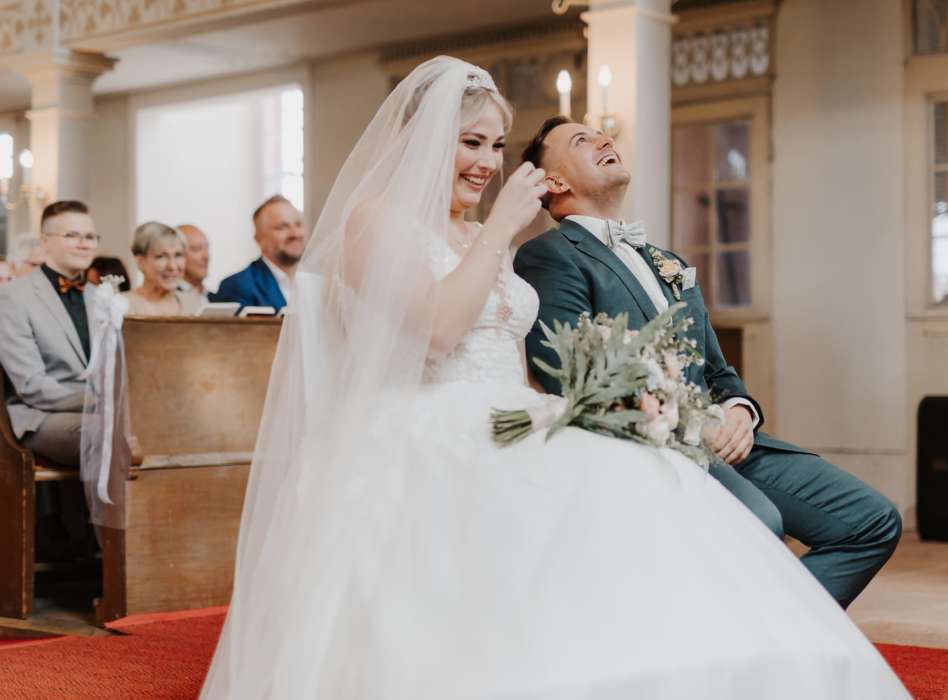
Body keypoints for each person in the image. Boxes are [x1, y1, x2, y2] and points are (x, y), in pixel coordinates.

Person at [200, 57, 909, 699]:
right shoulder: (376, 219)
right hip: (423, 421)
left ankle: (718, 661)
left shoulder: (480, 235)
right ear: (422, 140)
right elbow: (439, 330)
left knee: (643, 490)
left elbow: (515, 355)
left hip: (515, 410)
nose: (487, 162)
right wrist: (501, 228)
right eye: (470, 142)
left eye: (495, 145)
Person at [515, 116, 902, 611]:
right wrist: (690, 425)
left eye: (601, 133)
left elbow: (716, 370)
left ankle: (765, 639)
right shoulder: (549, 256)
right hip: (652, 449)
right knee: (760, 526)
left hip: (731, 444)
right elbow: (570, 374)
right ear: (554, 183)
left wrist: (739, 410)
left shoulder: (666, 261)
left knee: (872, 521)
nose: (604, 139)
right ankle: (753, 645)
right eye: (581, 140)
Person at [0, 201, 100, 558]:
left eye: (90, 236)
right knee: (108, 434)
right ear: (45, 242)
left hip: (96, 408)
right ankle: (110, 552)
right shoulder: (13, 297)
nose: (84, 243)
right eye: (72, 235)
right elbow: (30, 385)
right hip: (39, 416)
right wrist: (97, 401)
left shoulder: (101, 297)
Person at [212, 196, 307, 311]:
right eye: (282, 227)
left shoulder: (317, 284)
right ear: (259, 239)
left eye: (298, 224)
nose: (295, 234)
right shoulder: (238, 287)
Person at [123, 222, 204, 316]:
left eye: (178, 255)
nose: (172, 266)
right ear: (140, 261)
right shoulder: (121, 305)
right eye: (161, 256)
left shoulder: (194, 305)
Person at [177, 223, 212, 299]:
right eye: (197, 249)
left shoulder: (219, 298)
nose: (206, 256)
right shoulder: (166, 299)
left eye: (207, 248)